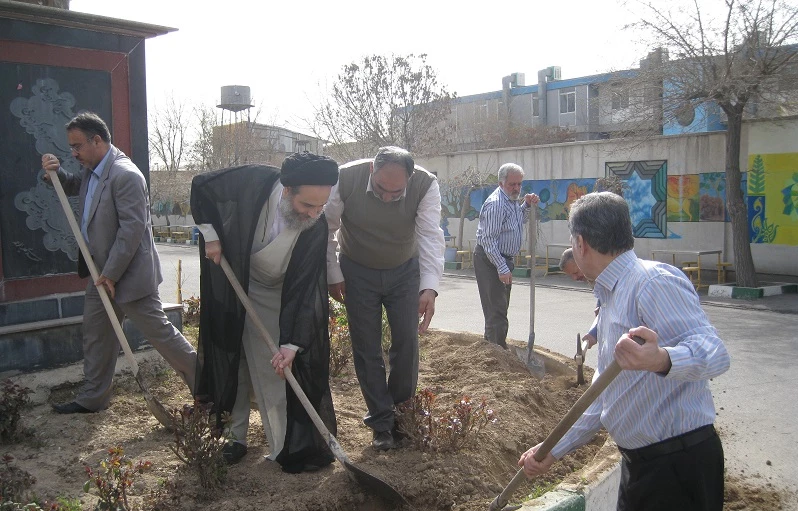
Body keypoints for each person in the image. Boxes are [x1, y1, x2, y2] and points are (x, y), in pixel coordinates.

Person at [519, 192, 730, 511]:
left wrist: (663, 358)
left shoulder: (652, 282)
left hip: (679, 466)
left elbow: (716, 353)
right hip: (640, 467)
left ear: (580, 243)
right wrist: (551, 450)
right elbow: (603, 395)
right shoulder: (610, 292)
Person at [191, 152, 339, 473]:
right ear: (287, 191)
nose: (314, 213)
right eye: (307, 206)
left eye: (321, 207)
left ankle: (285, 444)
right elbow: (201, 188)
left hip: (278, 291)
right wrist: (211, 236)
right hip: (235, 274)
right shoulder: (252, 180)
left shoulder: (315, 225)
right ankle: (235, 437)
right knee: (234, 357)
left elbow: (307, 287)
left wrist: (292, 343)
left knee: (275, 364)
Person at [41, 112, 196, 414]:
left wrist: (111, 273)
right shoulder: (94, 169)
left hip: (129, 276)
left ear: (96, 140)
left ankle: (208, 390)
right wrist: (54, 175)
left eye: (77, 146)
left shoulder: (126, 175)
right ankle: (93, 399)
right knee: (97, 335)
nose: (73, 153)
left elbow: (132, 231)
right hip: (100, 273)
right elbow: (76, 188)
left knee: (162, 338)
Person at [326, 146, 444, 451]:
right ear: (371, 171)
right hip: (357, 270)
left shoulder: (425, 184)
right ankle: (381, 423)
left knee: (407, 342)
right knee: (366, 346)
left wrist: (429, 287)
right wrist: (333, 272)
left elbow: (431, 235)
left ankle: (401, 416)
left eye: (397, 191)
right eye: (381, 188)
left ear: (409, 178)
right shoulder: (344, 178)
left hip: (404, 270)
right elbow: (325, 227)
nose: (388, 197)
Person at [473, 163, 539, 349]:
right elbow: (488, 240)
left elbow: (517, 220)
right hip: (491, 260)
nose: (517, 188)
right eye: (512, 184)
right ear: (501, 183)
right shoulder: (496, 204)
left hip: (502, 260)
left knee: (500, 309)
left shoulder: (511, 201)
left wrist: (526, 205)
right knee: (497, 312)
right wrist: (501, 266)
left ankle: (492, 349)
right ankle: (497, 352)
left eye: (519, 184)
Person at [560, 247, 598, 348]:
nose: (575, 278)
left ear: (582, 262)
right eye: (571, 275)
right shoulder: (593, 280)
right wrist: (593, 334)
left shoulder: (602, 276)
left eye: (576, 273)